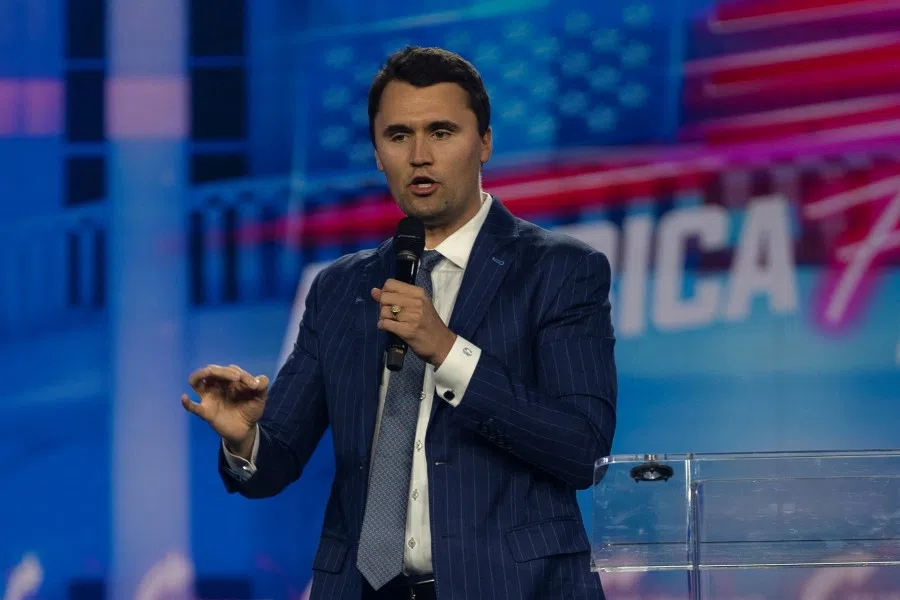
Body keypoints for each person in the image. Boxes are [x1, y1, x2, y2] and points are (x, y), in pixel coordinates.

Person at [182, 46, 617, 600]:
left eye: (441, 132)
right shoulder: (339, 288)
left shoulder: (559, 269)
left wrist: (446, 349)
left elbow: (582, 449)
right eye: (398, 136)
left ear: (484, 142)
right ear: (377, 153)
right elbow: (275, 466)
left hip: (513, 586)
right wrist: (245, 440)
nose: (419, 156)